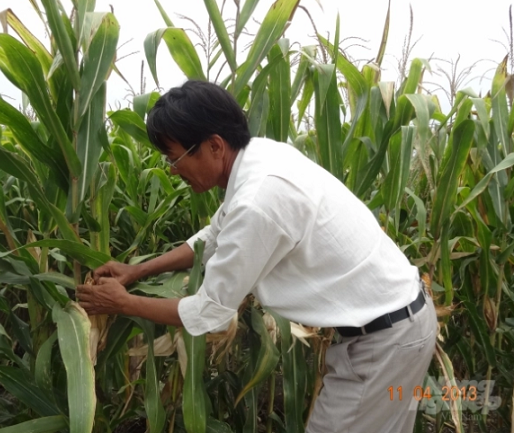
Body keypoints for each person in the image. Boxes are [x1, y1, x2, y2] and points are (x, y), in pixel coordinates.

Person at [75, 80, 437, 432]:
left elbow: (210, 311)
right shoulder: (261, 157)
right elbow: (213, 236)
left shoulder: (258, 200)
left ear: (214, 146)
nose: (172, 169)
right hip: (397, 324)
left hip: (384, 342)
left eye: (176, 158)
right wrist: (135, 271)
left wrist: (123, 303)